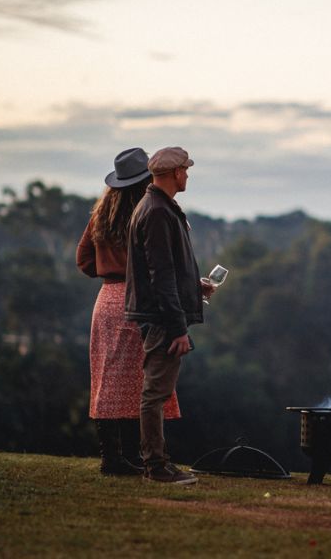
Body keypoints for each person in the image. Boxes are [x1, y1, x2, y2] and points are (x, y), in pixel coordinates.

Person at [76, 147, 181, 476]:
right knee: (144, 381)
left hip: (106, 301)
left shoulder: (101, 214)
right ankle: (143, 455)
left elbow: (84, 260)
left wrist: (108, 272)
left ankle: (112, 455)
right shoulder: (148, 212)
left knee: (107, 379)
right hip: (137, 300)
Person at [126, 146, 214, 484]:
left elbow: (169, 271)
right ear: (175, 173)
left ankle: (158, 463)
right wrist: (178, 328)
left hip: (164, 316)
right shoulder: (158, 212)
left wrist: (195, 286)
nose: (188, 175)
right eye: (185, 170)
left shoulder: (157, 207)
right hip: (164, 320)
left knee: (157, 392)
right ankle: (157, 466)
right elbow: (160, 276)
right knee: (155, 393)